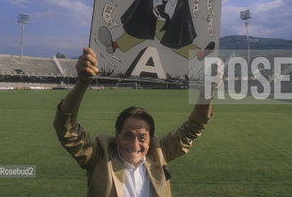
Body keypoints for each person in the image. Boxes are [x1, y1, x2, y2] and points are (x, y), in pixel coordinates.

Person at [53, 47, 213, 196]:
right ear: (117, 135)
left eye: (142, 138)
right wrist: (82, 83)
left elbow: (194, 127)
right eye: (128, 136)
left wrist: (207, 91)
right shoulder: (99, 155)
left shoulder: (158, 152)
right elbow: (66, 128)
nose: (135, 145)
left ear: (150, 140)